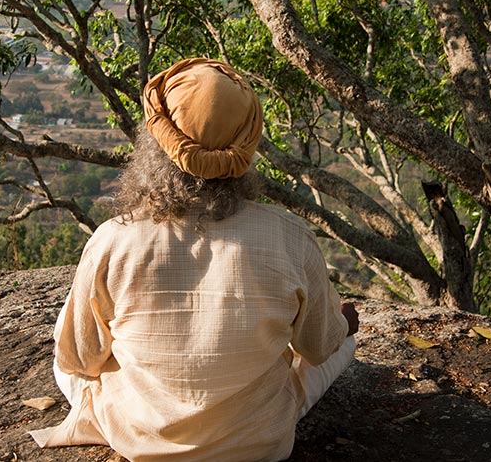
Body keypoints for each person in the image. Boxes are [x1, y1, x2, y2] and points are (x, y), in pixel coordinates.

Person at [29, 58, 359, 462]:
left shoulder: (112, 240)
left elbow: (77, 360)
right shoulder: (291, 237)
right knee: (345, 343)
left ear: (154, 141)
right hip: (259, 442)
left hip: (138, 438)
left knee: (74, 340)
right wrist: (343, 323)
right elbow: (319, 348)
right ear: (246, 147)